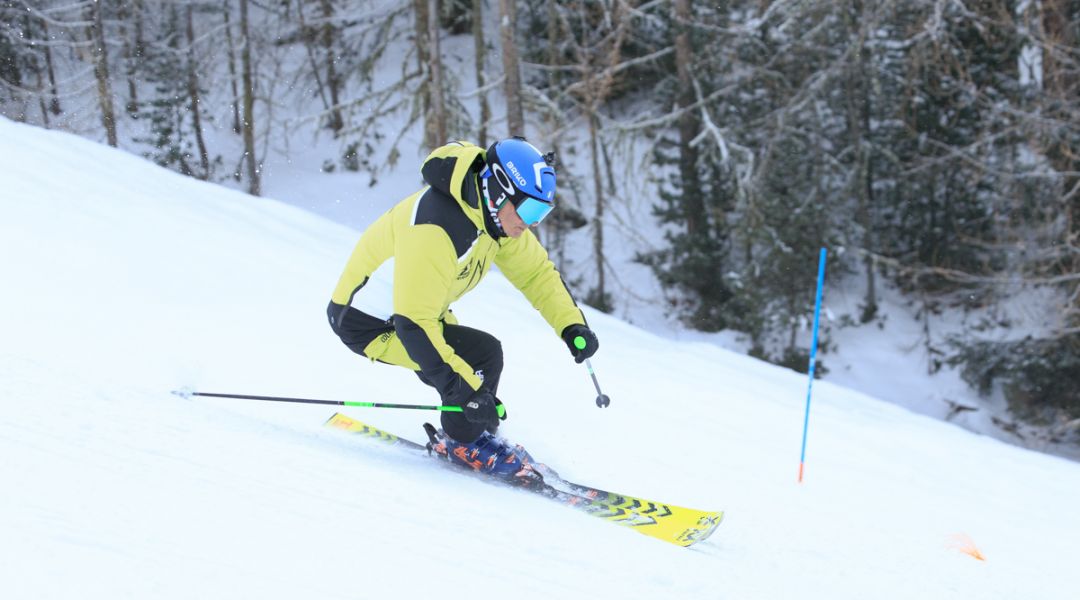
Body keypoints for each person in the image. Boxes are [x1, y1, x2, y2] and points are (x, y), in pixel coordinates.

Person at [327, 137, 599, 483]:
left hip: (420, 313)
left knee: (471, 370)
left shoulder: (493, 218)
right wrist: (467, 394)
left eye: (542, 214)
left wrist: (571, 326)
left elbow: (535, 274)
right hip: (368, 323)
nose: (531, 224)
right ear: (499, 191)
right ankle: (463, 441)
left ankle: (478, 432)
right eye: (530, 211)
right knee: (480, 359)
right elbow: (414, 325)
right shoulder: (434, 229)